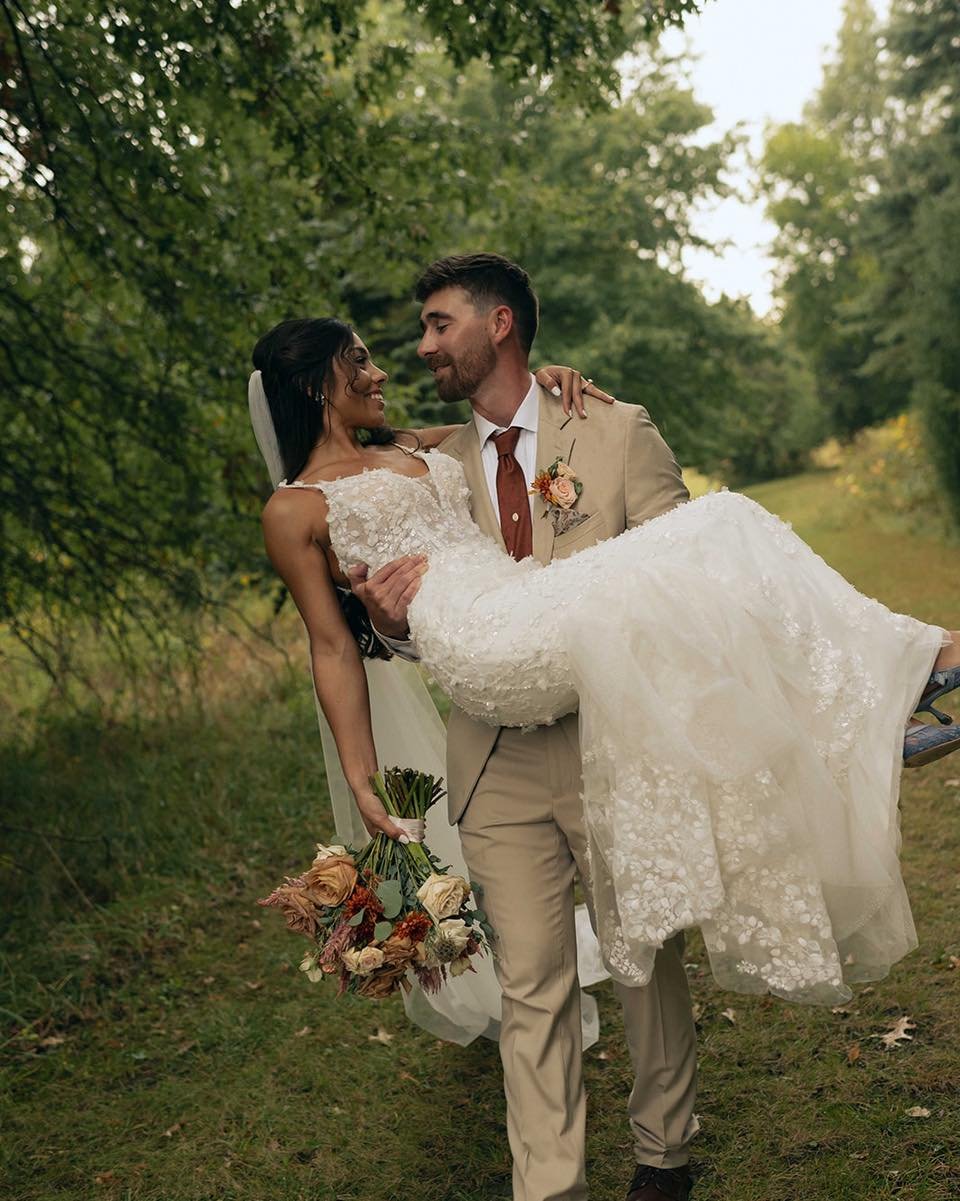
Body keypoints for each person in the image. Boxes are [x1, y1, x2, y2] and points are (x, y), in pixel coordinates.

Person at [253, 254, 960, 1201]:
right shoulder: (411, 460)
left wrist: (561, 389)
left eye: (433, 328)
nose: (407, 356)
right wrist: (380, 649)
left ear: (500, 324)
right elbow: (336, 648)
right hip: (491, 708)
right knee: (531, 977)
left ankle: (664, 1154)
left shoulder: (595, 428)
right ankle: (549, 1185)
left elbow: (683, 601)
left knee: (644, 943)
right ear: (320, 383)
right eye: (376, 354)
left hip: (601, 724)